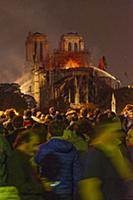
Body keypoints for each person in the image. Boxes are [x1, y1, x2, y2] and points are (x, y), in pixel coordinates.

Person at [80, 114, 133, 200]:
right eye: (114, 131)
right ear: (104, 131)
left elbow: (127, 176)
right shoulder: (95, 154)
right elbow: (90, 187)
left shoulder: (115, 150)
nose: (118, 134)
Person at [35, 119, 81, 200]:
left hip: (49, 189)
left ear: (49, 132)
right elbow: (76, 173)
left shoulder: (43, 148)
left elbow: (37, 167)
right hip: (67, 190)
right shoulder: (72, 149)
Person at [7, 128, 45, 200]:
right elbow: (19, 186)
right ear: (24, 143)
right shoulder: (16, 159)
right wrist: (42, 186)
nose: (37, 149)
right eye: (34, 145)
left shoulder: (24, 158)